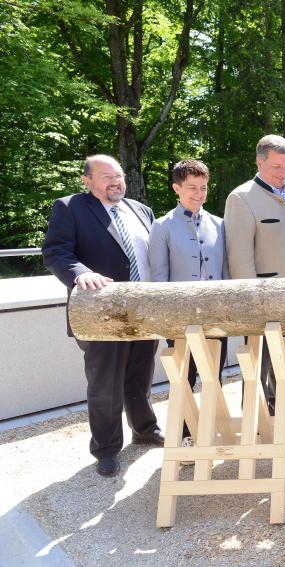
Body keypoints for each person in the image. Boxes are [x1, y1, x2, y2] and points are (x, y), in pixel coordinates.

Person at [42, 155, 164, 477]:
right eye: (106, 177)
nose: (115, 182)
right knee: (105, 383)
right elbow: (56, 252)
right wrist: (81, 273)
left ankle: (144, 429)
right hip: (101, 312)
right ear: (87, 181)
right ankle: (107, 449)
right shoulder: (70, 208)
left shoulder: (141, 210)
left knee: (141, 374)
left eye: (119, 176)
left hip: (143, 309)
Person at [148, 159, 229, 452]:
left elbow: (227, 274)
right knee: (184, 380)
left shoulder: (220, 224)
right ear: (177, 188)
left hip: (216, 320)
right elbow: (158, 279)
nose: (199, 193)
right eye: (192, 187)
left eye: (203, 187)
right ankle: (183, 435)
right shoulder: (162, 227)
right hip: (180, 322)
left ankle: (206, 433)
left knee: (213, 378)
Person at [224, 135, 285, 416]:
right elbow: (239, 257)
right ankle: (254, 416)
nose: (283, 173)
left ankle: (282, 410)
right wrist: (251, 301)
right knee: (259, 364)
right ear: (259, 162)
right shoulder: (241, 197)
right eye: (276, 167)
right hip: (263, 298)